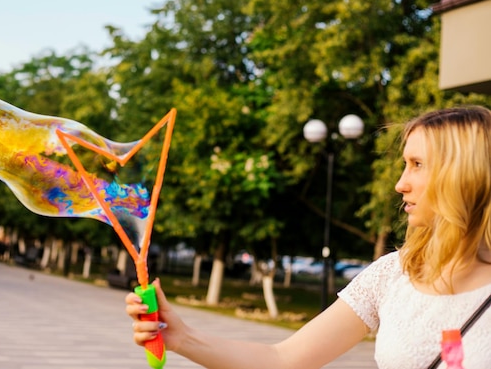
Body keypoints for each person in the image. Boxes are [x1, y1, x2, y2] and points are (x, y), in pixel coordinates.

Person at [126, 106, 491, 369]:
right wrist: (181, 338)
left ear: (464, 175)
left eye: (418, 164)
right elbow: (283, 360)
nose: (400, 183)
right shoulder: (392, 275)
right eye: (404, 164)